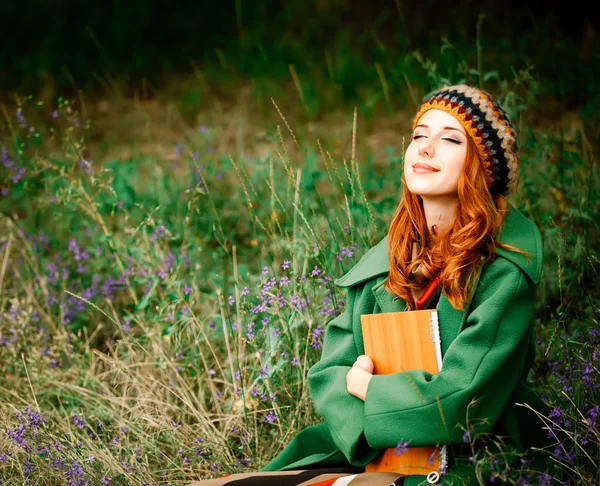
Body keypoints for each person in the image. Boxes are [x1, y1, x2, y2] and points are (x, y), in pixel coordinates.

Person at [188, 84, 553, 485]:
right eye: (419, 135)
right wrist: (370, 429)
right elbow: (330, 370)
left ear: (483, 167)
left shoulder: (503, 271)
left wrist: (368, 387)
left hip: (470, 460)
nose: (425, 148)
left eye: (450, 139)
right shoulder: (390, 259)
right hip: (371, 450)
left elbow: (460, 400)